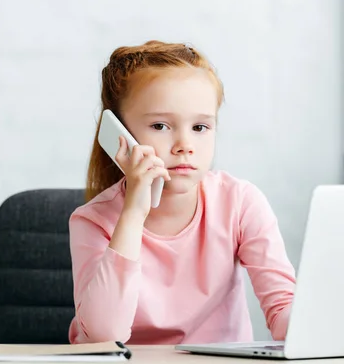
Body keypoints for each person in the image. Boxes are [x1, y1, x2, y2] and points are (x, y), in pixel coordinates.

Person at [68, 40, 296, 345]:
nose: (184, 145)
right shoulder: (92, 221)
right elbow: (104, 337)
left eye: (200, 128)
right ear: (119, 135)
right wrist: (134, 211)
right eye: (161, 126)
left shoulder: (240, 203)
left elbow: (283, 313)